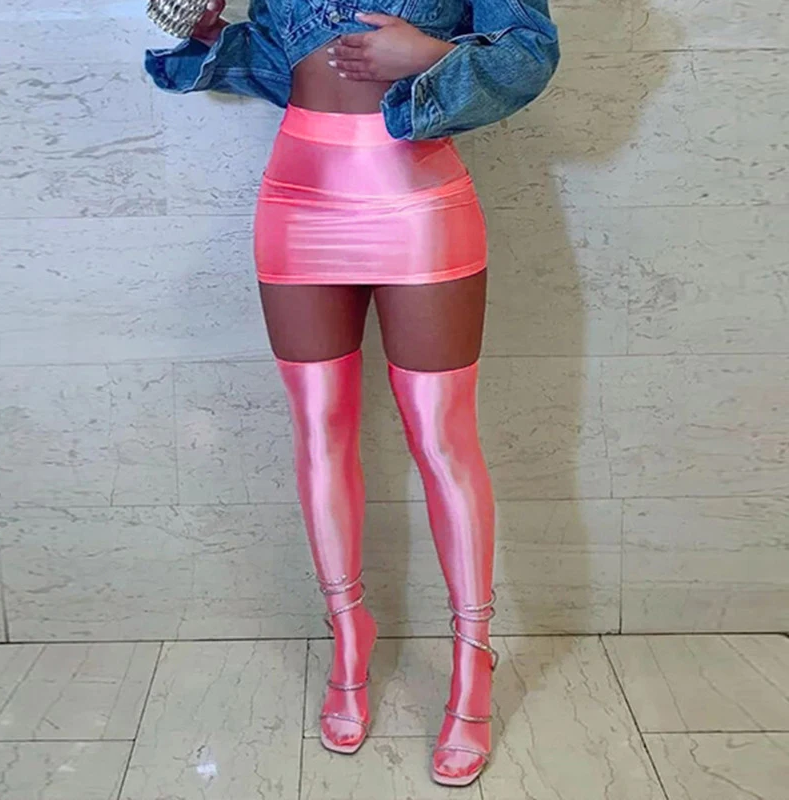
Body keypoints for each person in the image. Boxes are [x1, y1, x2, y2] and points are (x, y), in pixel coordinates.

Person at [145, 0, 559, 787]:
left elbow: (532, 51)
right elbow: (283, 60)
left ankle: (473, 658)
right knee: (318, 426)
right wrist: (207, 33)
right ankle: (347, 633)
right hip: (299, 196)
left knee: (443, 437)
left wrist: (431, 55)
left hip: (418, 196)